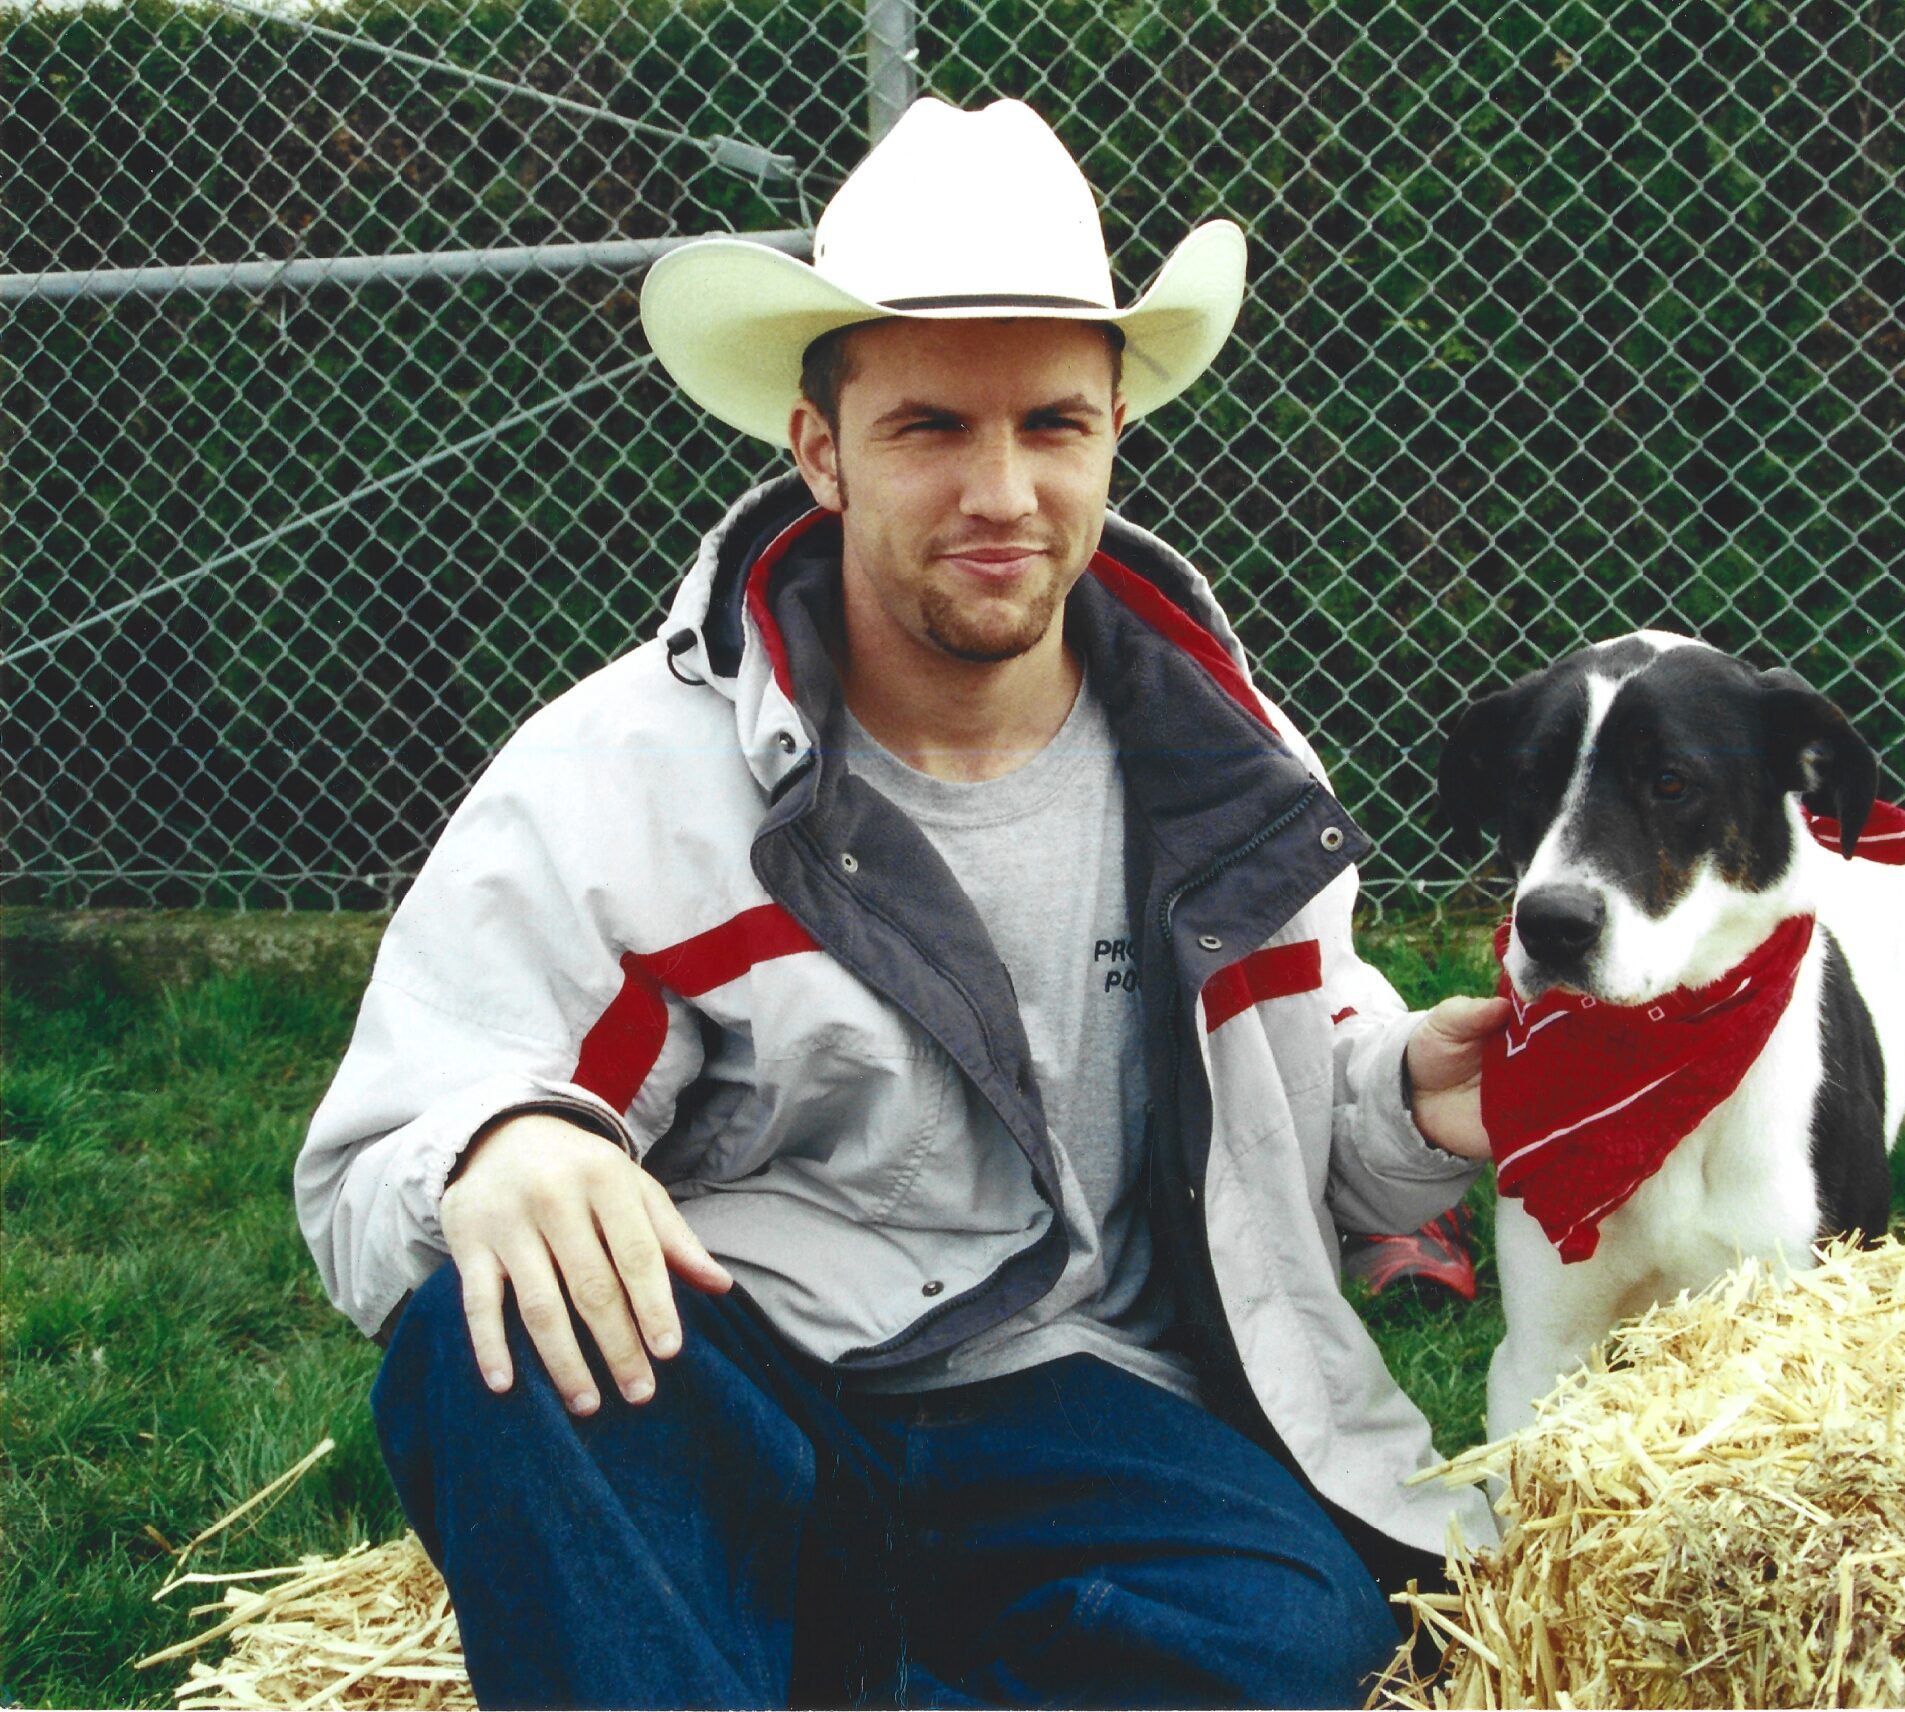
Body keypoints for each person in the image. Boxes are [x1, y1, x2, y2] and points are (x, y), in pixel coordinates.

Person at [295, 95, 1508, 1708]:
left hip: (1081, 1400)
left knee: (1306, 1648)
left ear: (1114, 433)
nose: (1001, 491)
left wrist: (1415, 1096)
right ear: (821, 451)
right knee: (479, 1337)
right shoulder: (619, 775)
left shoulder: (1223, 755)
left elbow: (1294, 1112)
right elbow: (380, 1163)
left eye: (1054, 425)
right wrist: (498, 1150)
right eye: (932, 426)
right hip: (751, 1380)